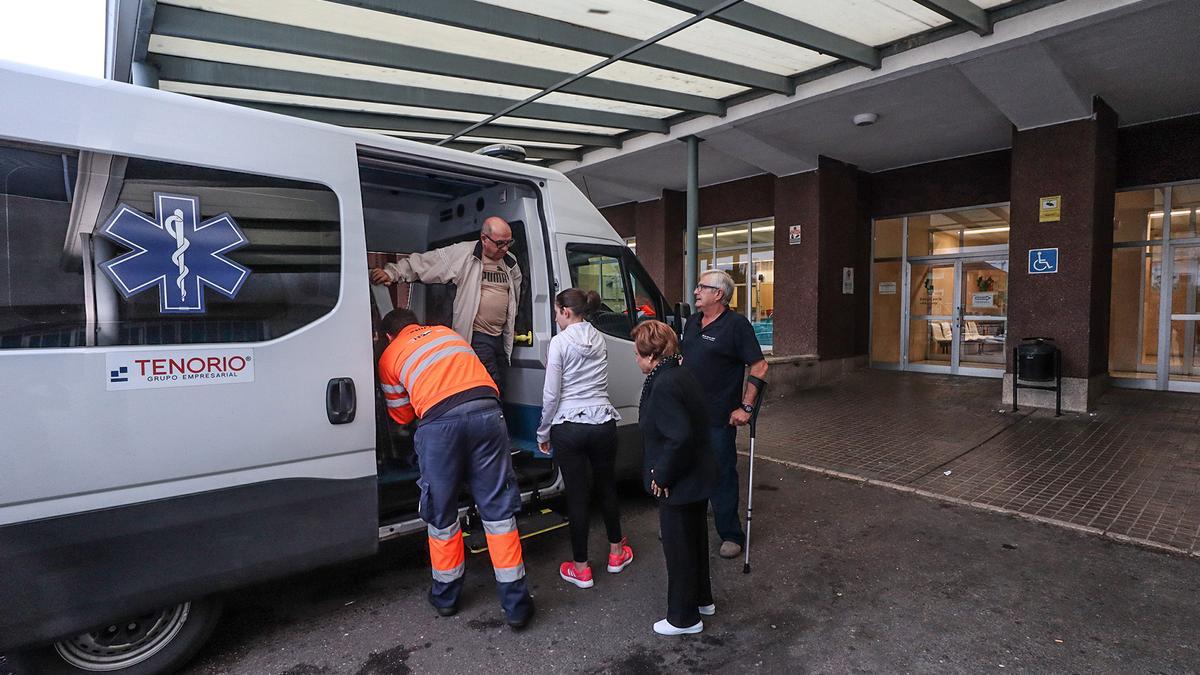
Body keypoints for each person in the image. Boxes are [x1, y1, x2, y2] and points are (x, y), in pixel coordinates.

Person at [377, 308, 534, 629]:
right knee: (499, 514)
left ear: (390, 335)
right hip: (489, 415)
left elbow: (402, 417)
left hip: (440, 427)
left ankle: (446, 597)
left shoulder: (390, 355)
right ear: (417, 324)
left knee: (442, 513)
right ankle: (517, 606)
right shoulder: (448, 334)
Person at [536, 288, 632, 589]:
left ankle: (581, 568)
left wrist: (543, 431)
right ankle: (617, 553)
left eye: (556, 311)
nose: (555, 317)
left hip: (569, 424)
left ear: (566, 311)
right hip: (603, 421)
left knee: (577, 495)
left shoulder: (559, 342)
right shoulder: (599, 338)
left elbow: (551, 394)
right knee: (606, 487)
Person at [370, 217, 523, 393]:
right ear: (484, 239)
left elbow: (515, 298)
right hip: (477, 336)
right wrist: (393, 273)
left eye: (508, 242)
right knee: (489, 385)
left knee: (499, 385)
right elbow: (426, 263)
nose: (505, 248)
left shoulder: (510, 262)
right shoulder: (464, 254)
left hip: (501, 337)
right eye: (500, 243)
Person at [632, 320, 717, 636]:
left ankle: (684, 617)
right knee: (695, 541)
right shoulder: (681, 373)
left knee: (679, 548)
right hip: (697, 475)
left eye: (638, 355)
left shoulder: (664, 384)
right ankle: (702, 600)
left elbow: (678, 436)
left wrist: (661, 474)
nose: (636, 360)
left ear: (651, 355)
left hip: (679, 481)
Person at [681, 269, 768, 560]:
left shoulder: (736, 325)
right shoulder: (693, 322)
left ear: (718, 294)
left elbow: (759, 367)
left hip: (718, 417)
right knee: (688, 470)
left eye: (701, 287)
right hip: (687, 414)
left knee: (721, 475)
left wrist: (746, 407)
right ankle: (687, 523)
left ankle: (731, 534)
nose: (695, 292)